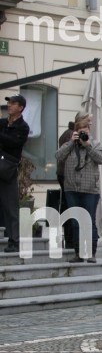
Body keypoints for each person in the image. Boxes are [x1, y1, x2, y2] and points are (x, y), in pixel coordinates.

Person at [55, 111, 102, 262]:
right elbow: (58, 156)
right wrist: (72, 142)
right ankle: (78, 253)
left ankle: (91, 253)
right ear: (77, 130)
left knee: (89, 220)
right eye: (82, 129)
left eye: (87, 128)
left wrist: (88, 145)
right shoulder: (70, 144)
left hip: (90, 190)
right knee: (76, 221)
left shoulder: (95, 143)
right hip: (71, 188)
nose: (85, 131)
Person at [0, 95, 30, 253]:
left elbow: (14, 143)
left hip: (7, 169)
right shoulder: (3, 122)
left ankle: (14, 241)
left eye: (12, 103)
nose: (9, 105)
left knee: (10, 205)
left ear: (21, 107)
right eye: (8, 102)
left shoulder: (23, 127)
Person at [57, 121, 76, 250]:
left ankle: (70, 238)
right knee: (70, 206)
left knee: (67, 205)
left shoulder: (66, 134)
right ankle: (70, 239)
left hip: (63, 174)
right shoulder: (70, 136)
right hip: (68, 176)